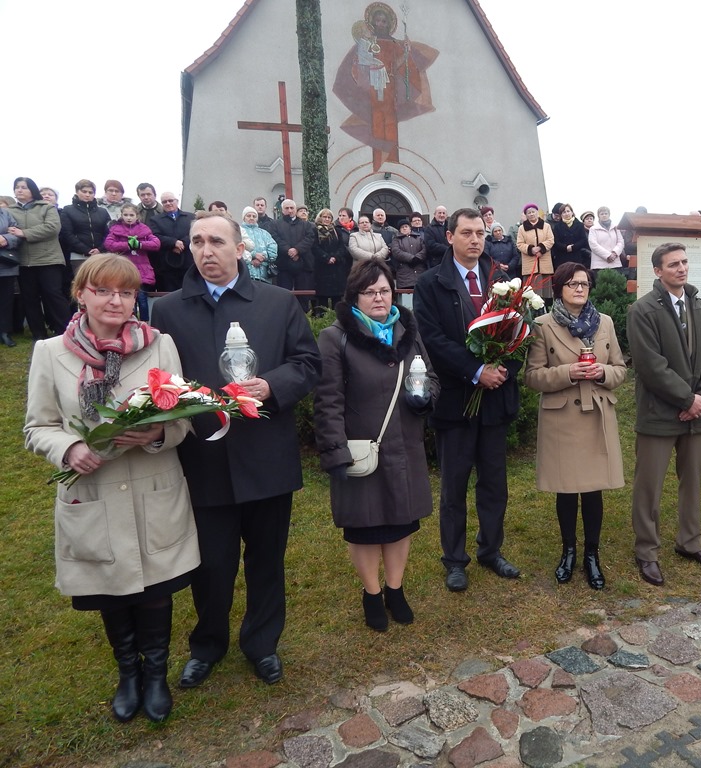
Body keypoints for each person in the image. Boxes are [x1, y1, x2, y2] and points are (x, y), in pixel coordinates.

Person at [24, 254, 199, 723]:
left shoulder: (159, 346)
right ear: (81, 294)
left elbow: (183, 416)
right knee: (111, 588)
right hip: (93, 490)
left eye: (125, 292)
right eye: (103, 290)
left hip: (151, 486)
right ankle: (129, 673)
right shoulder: (50, 352)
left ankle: (156, 674)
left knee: (156, 584)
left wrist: (157, 433)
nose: (115, 301)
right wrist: (68, 449)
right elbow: (37, 426)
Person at [150, 213, 320, 688]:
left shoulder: (278, 302)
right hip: (204, 459)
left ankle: (262, 643)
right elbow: (159, 378)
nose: (206, 251)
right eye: (197, 241)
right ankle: (207, 644)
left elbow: (308, 363)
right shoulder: (168, 311)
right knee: (211, 565)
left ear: (240, 249)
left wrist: (272, 385)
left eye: (217, 241)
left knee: (266, 559)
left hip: (266, 456)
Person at [314, 260, 438, 630]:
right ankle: (371, 593)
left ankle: (395, 590)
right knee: (365, 527)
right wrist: (335, 451)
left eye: (384, 290)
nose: (378, 298)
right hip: (361, 450)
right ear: (354, 296)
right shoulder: (335, 338)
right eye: (369, 292)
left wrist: (425, 397)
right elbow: (328, 400)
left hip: (405, 446)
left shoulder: (407, 330)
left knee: (401, 523)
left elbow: (431, 377)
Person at [414, 208, 522, 592]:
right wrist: (476, 371)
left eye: (480, 232)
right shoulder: (430, 283)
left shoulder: (503, 280)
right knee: (454, 487)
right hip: (456, 401)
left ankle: (491, 550)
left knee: (494, 484)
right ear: (450, 237)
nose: (475, 239)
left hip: (494, 400)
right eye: (466, 233)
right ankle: (455, 560)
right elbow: (432, 339)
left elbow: (520, 332)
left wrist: (503, 368)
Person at [524, 263, 626, 589]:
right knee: (566, 489)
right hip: (562, 418)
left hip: (597, 415)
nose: (580, 289)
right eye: (572, 284)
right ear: (559, 289)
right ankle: (568, 551)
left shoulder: (605, 322)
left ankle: (591, 555)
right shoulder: (543, 325)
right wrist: (568, 372)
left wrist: (602, 373)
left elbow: (620, 369)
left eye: (584, 283)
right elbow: (532, 376)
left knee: (594, 490)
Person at [627, 243, 701, 583]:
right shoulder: (642, 310)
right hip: (659, 414)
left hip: (696, 414)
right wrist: (686, 400)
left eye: (684, 262)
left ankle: (690, 542)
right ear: (658, 271)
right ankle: (646, 551)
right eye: (673, 264)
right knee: (649, 487)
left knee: (693, 481)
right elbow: (650, 366)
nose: (681, 268)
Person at [334, 3, 438, 171]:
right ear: (372, 22)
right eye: (377, 20)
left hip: (390, 87)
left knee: (389, 118)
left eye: (383, 21)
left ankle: (391, 157)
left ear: (388, 24)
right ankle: (379, 156)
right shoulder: (366, 42)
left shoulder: (395, 44)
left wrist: (406, 52)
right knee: (377, 117)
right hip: (374, 85)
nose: (380, 24)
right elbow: (357, 65)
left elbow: (399, 65)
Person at [8, 177, 70, 340]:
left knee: (53, 295)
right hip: (23, 261)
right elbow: (7, 230)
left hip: (48, 259)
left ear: (32, 190)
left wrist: (24, 233)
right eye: (17, 187)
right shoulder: (10, 211)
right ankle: (38, 334)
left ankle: (65, 330)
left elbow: (52, 228)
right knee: (29, 298)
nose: (19, 190)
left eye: (24, 187)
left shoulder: (46, 207)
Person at [103, 204, 160, 321]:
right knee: (127, 298)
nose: (128, 218)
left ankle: (145, 323)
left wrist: (140, 245)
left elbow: (156, 243)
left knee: (142, 299)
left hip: (142, 269)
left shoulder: (144, 229)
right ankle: (128, 320)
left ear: (137, 216)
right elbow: (109, 244)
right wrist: (127, 245)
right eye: (126, 215)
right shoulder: (116, 229)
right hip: (123, 268)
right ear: (121, 215)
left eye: (131, 215)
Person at [61, 179, 111, 277]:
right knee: (81, 283)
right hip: (78, 256)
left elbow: (109, 233)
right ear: (77, 192)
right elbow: (67, 234)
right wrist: (86, 250)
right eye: (84, 191)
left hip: (100, 255)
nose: (87, 195)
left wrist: (100, 249)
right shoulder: (68, 210)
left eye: (90, 192)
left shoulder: (103, 212)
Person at [274, 199, 317, 309]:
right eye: (287, 208)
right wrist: (288, 250)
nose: (290, 210)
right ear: (282, 210)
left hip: (303, 264)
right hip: (284, 264)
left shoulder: (306, 225)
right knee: (284, 295)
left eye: (292, 208)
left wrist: (297, 250)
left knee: (303, 296)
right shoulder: (276, 224)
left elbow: (309, 238)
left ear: (295, 209)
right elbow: (276, 238)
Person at [149, 192, 195, 292]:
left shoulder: (191, 217)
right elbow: (155, 236)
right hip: (166, 266)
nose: (168, 203)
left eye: (170, 200)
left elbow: (194, 233)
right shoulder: (155, 220)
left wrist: (182, 243)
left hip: (187, 263)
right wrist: (173, 243)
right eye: (164, 202)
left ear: (176, 201)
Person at [312, 208, 350, 313]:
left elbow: (342, 247)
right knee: (322, 301)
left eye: (329, 217)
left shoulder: (337, 231)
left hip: (336, 269)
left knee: (337, 300)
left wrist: (335, 257)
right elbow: (314, 247)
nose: (327, 219)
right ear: (320, 217)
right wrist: (326, 257)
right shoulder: (315, 231)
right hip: (322, 268)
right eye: (324, 217)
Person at [517, 203, 554, 300]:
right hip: (530, 265)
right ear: (526, 215)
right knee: (531, 294)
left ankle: (546, 307)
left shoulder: (546, 226)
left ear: (537, 213)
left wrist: (541, 248)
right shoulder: (522, 228)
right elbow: (519, 244)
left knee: (546, 294)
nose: (531, 214)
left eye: (533, 212)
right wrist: (531, 249)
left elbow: (550, 240)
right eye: (529, 213)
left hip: (544, 263)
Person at [0, 205, 22, 347]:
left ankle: (5, 332)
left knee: (5, 301)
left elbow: (17, 234)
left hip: (5, 265)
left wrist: (5, 238)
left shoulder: (5, 214)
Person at [239, 206, 278, 283]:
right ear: (244, 218)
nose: (251, 218)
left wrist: (262, 258)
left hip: (264, 275)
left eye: (254, 216)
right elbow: (237, 249)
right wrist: (253, 256)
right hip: (245, 274)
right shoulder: (239, 232)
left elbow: (273, 249)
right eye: (248, 216)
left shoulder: (264, 233)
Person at [390, 218, 427, 297]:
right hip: (404, 276)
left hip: (420, 271)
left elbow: (425, 249)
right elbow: (396, 251)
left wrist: (417, 258)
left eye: (406, 226)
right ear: (399, 230)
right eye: (402, 227)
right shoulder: (396, 240)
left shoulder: (419, 238)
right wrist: (411, 258)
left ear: (410, 228)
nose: (404, 228)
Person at [551, 203, 589, 270]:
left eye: (568, 211)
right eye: (564, 212)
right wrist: (565, 247)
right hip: (562, 257)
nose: (566, 214)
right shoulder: (557, 227)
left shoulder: (579, 225)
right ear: (561, 214)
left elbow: (583, 240)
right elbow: (556, 242)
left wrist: (573, 247)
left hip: (577, 256)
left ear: (572, 212)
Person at [589, 206, 625, 275]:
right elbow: (593, 244)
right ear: (598, 216)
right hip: (599, 265)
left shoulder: (616, 228)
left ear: (609, 215)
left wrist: (615, 253)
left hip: (615, 264)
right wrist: (608, 255)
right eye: (602, 214)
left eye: (606, 213)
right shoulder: (593, 229)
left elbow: (621, 242)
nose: (604, 215)